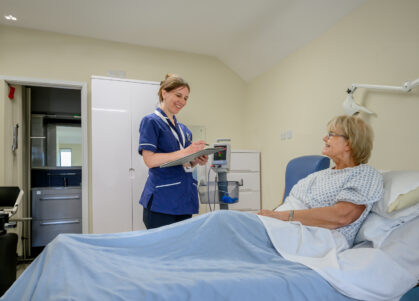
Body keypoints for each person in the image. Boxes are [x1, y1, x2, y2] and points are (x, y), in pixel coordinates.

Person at [258, 115, 384, 246]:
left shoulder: (364, 174)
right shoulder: (321, 175)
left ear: (349, 143)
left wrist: (282, 217)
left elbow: (342, 216)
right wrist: (269, 215)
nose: (324, 138)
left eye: (331, 134)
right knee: (239, 224)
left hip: (316, 237)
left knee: (238, 227)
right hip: (284, 225)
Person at [138, 74, 208, 229]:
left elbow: (186, 162)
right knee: (161, 249)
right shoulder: (151, 122)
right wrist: (186, 152)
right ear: (164, 93)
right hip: (162, 201)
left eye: (186, 98)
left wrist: (196, 159)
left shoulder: (184, 130)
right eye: (178, 95)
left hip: (184, 199)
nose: (182, 102)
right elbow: (149, 160)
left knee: (181, 248)